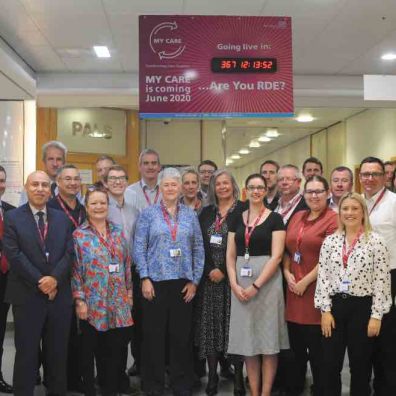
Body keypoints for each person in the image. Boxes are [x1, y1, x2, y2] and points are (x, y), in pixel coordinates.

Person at [133, 167, 204, 396]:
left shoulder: (190, 215)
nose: (171, 188)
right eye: (166, 185)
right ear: (160, 188)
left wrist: (195, 280)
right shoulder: (148, 214)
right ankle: (153, 385)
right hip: (155, 283)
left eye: (175, 184)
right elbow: (139, 248)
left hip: (183, 284)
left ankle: (180, 384)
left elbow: (198, 248)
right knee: (153, 337)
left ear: (181, 187)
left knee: (181, 338)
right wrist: (144, 277)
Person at [4, 170, 74, 396]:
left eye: (45, 185)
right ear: (26, 187)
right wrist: (41, 281)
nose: (40, 189)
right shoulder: (13, 217)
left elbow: (70, 253)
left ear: (51, 189)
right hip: (27, 296)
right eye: (35, 184)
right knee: (26, 353)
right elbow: (14, 255)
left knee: (57, 354)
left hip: (59, 296)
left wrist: (54, 279)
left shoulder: (62, 219)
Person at [315, 192, 392, 396]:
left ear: (363, 212)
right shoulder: (330, 242)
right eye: (345, 209)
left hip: (363, 309)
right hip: (334, 308)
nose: (350, 213)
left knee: (360, 366)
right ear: (339, 213)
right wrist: (325, 310)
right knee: (330, 365)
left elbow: (382, 281)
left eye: (355, 208)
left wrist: (376, 315)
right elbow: (322, 277)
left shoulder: (376, 241)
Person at [226, 173, 288, 396]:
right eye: (251, 187)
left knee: (268, 340)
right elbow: (230, 255)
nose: (256, 191)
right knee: (248, 342)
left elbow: (277, 256)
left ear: (265, 190)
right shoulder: (236, 217)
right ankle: (254, 392)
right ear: (246, 190)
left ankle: (266, 393)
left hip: (267, 284)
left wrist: (256, 286)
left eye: (260, 187)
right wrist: (234, 283)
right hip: (240, 284)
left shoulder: (275, 218)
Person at [72, 185, 133, 396]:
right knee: (90, 353)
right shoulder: (79, 235)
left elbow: (126, 264)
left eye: (103, 203)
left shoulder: (117, 232)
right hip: (92, 304)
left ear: (108, 206)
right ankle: (90, 390)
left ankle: (112, 390)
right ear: (86, 207)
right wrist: (80, 301)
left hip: (118, 303)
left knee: (115, 353)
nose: (99, 206)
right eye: (94, 203)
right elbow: (76, 271)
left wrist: (130, 293)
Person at [283, 175, 338, 396]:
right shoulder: (297, 216)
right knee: (295, 354)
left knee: (320, 357)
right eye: (310, 192)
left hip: (318, 296)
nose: (314, 196)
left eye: (319, 191)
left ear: (328, 194)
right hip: (293, 294)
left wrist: (305, 281)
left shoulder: (334, 219)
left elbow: (329, 257)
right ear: (303, 194)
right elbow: (288, 249)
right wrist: (287, 272)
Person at [195, 169, 245, 396]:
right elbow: (198, 246)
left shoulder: (244, 210)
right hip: (209, 282)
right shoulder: (206, 212)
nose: (222, 187)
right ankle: (212, 375)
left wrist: (225, 270)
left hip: (234, 281)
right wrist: (210, 270)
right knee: (212, 329)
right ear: (213, 188)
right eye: (218, 184)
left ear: (233, 185)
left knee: (235, 329)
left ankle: (238, 380)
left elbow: (246, 243)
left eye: (226, 183)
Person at [47, 164, 86, 393]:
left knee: (78, 334)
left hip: (83, 277)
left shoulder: (84, 209)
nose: (72, 182)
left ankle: (75, 377)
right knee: (57, 334)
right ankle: (56, 381)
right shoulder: (51, 208)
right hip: (59, 277)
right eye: (67, 179)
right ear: (58, 182)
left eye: (76, 179)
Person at [359, 156, 396, 396]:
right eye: (365, 174)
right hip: (360, 280)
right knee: (364, 339)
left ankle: (386, 388)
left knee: (387, 341)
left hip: (389, 277)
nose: (370, 179)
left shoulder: (394, 202)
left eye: (375, 174)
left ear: (385, 177)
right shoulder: (356, 202)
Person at [104, 164, 141, 393]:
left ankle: (121, 377)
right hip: (106, 277)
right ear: (106, 182)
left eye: (121, 178)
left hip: (130, 276)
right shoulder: (100, 206)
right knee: (107, 331)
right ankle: (108, 379)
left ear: (127, 181)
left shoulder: (133, 211)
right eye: (113, 178)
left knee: (125, 331)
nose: (117, 182)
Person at [126, 148, 162, 377]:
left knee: (159, 317)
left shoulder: (169, 189)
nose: (150, 167)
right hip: (138, 264)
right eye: (146, 163)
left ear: (159, 167)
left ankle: (161, 362)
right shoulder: (130, 192)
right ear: (139, 167)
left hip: (163, 264)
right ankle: (139, 360)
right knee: (138, 317)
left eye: (154, 163)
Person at [0, 166, 14, 393]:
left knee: (0, 330)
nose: (0, 185)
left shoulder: (11, 212)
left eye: (2, 180)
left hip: (5, 281)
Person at [19, 140, 68, 205]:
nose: (55, 164)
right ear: (44, 162)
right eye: (50, 159)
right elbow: (22, 212)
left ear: (64, 163)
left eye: (59, 159)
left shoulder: (71, 186)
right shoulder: (32, 185)